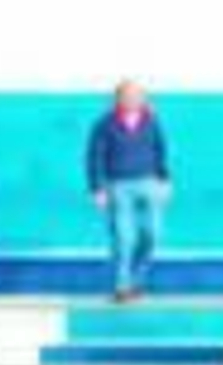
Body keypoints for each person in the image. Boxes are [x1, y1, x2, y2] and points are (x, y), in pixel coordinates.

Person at [86, 81, 171, 303]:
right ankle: (122, 287)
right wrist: (96, 189)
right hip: (118, 185)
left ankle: (137, 280)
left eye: (136, 95)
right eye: (127, 95)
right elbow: (94, 156)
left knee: (152, 234)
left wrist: (165, 180)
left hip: (149, 183)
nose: (132, 99)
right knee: (124, 238)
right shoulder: (104, 124)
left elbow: (160, 150)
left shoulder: (152, 121)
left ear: (143, 98)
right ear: (118, 98)